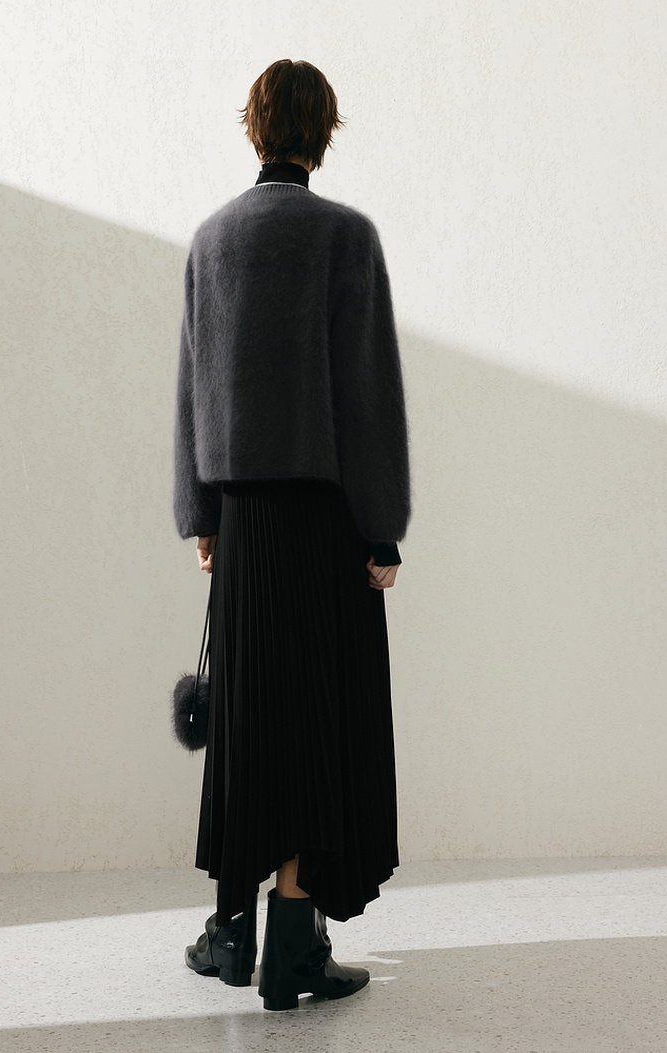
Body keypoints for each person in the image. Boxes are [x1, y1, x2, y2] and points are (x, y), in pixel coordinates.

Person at [172, 58, 411, 1012]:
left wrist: (202, 515)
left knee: (248, 719)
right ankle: (292, 943)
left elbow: (192, 392)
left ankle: (232, 931)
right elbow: (368, 398)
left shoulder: (212, 239)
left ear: (254, 126)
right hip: (322, 522)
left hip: (242, 517)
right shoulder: (345, 237)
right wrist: (381, 532)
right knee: (315, 719)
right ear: (325, 132)